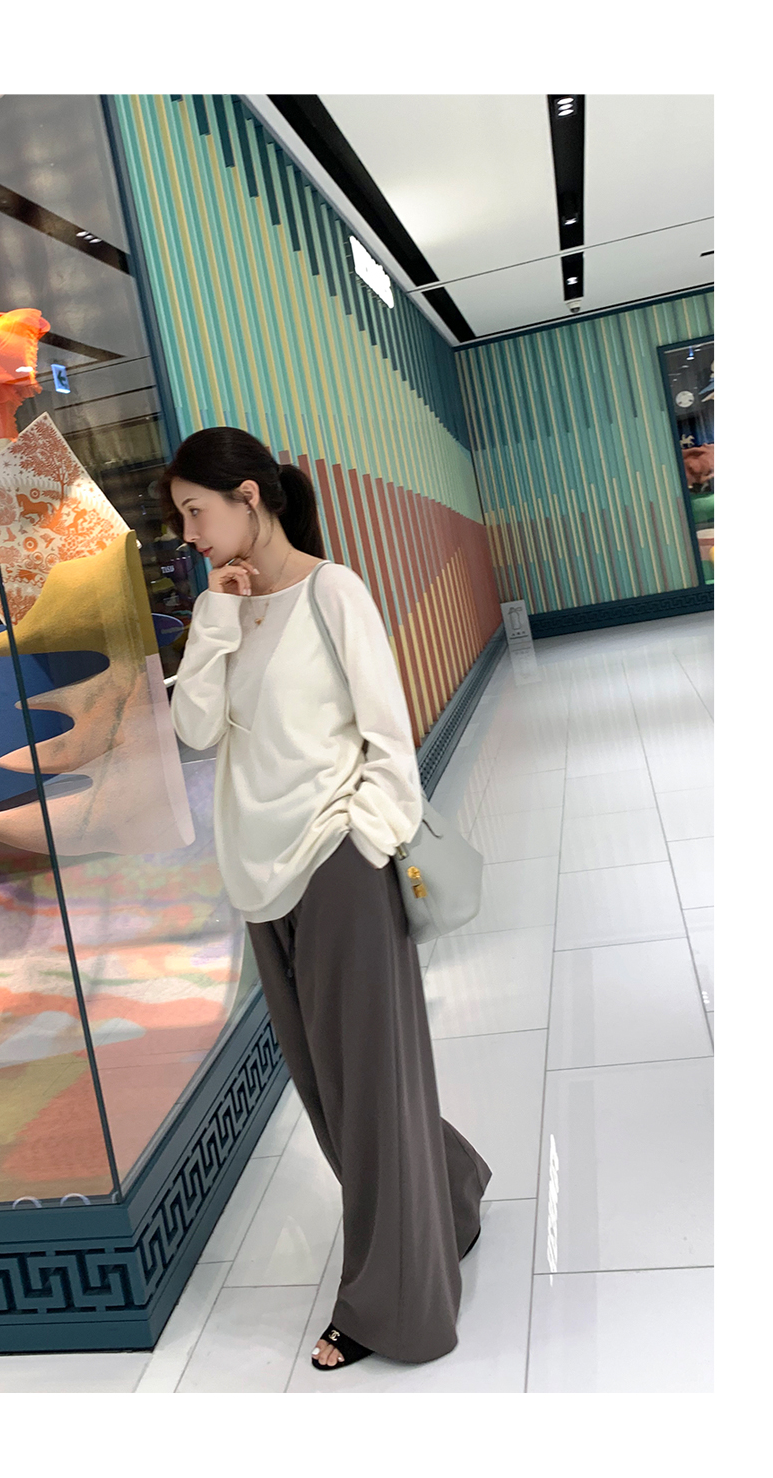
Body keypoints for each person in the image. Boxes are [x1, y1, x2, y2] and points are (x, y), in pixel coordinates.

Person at [167, 428, 489, 1371]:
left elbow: (389, 736)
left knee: (366, 1090)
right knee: (328, 1087)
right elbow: (194, 731)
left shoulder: (332, 591)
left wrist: (367, 838)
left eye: (195, 511)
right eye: (180, 517)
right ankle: (452, 1190)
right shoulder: (224, 608)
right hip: (258, 875)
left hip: (338, 862)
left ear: (249, 497)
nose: (187, 533)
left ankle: (393, 1306)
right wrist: (215, 620)